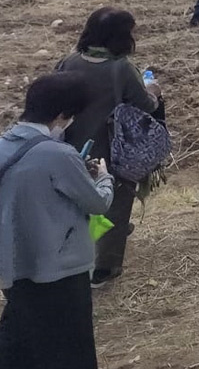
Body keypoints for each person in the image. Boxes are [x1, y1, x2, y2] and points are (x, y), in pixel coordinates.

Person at [0, 72, 114, 369]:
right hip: (60, 271)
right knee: (71, 349)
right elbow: (97, 202)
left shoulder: (3, 146)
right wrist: (104, 178)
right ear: (63, 115)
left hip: (13, 266)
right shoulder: (59, 154)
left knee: (22, 343)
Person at [55, 7, 161, 288]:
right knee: (116, 200)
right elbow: (145, 105)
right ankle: (105, 268)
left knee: (77, 200)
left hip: (70, 146)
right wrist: (153, 91)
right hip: (112, 148)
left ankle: (74, 252)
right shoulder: (122, 68)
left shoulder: (69, 61)